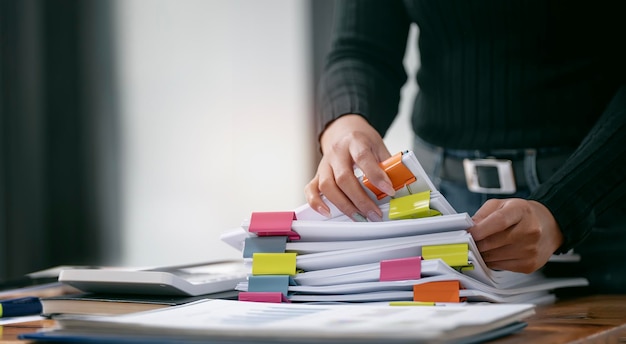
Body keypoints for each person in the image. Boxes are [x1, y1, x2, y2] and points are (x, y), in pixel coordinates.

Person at [304, 0, 626, 294]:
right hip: (441, 202)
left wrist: (564, 209)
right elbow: (361, 48)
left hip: (601, 199)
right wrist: (345, 123)